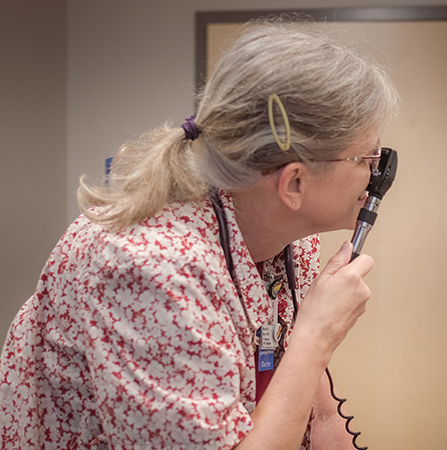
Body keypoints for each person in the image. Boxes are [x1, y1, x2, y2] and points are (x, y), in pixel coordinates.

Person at [0, 18, 399, 450]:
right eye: (366, 157)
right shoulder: (150, 270)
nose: (377, 174)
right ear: (294, 185)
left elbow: (304, 406)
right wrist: (316, 335)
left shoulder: (289, 242)